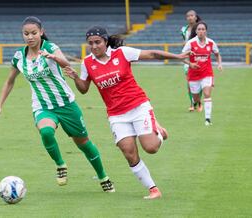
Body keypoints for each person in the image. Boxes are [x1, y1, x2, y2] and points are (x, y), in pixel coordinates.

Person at [0, 17, 115, 192]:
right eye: (26, 34)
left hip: (66, 104)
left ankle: (103, 176)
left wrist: (53, 57)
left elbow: (66, 63)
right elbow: (9, 81)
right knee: (46, 132)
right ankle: (60, 165)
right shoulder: (19, 56)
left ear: (41, 32)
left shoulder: (50, 47)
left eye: (33, 33)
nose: (30, 37)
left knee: (83, 143)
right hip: (42, 105)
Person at [64, 26, 189, 199]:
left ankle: (159, 132)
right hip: (116, 114)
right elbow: (84, 89)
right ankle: (153, 189)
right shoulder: (87, 63)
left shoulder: (122, 53)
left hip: (138, 106)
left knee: (151, 148)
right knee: (129, 152)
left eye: (97, 42)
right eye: (90, 43)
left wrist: (179, 57)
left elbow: (152, 54)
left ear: (105, 41)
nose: (94, 46)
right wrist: (76, 78)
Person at [182, 21, 222, 126]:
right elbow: (181, 57)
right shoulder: (190, 43)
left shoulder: (211, 43)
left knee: (207, 94)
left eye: (203, 29)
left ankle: (208, 119)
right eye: (199, 29)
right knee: (195, 97)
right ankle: (197, 102)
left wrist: (219, 64)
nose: (201, 31)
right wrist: (190, 64)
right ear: (196, 31)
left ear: (206, 31)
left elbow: (217, 54)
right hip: (193, 75)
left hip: (207, 73)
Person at [181, 10, 203, 112]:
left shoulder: (200, 28)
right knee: (189, 83)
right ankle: (192, 104)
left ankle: (199, 103)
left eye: (192, 15)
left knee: (200, 82)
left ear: (195, 17)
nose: (190, 17)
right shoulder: (183, 29)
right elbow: (184, 42)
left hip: (199, 58)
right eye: (188, 16)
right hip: (188, 59)